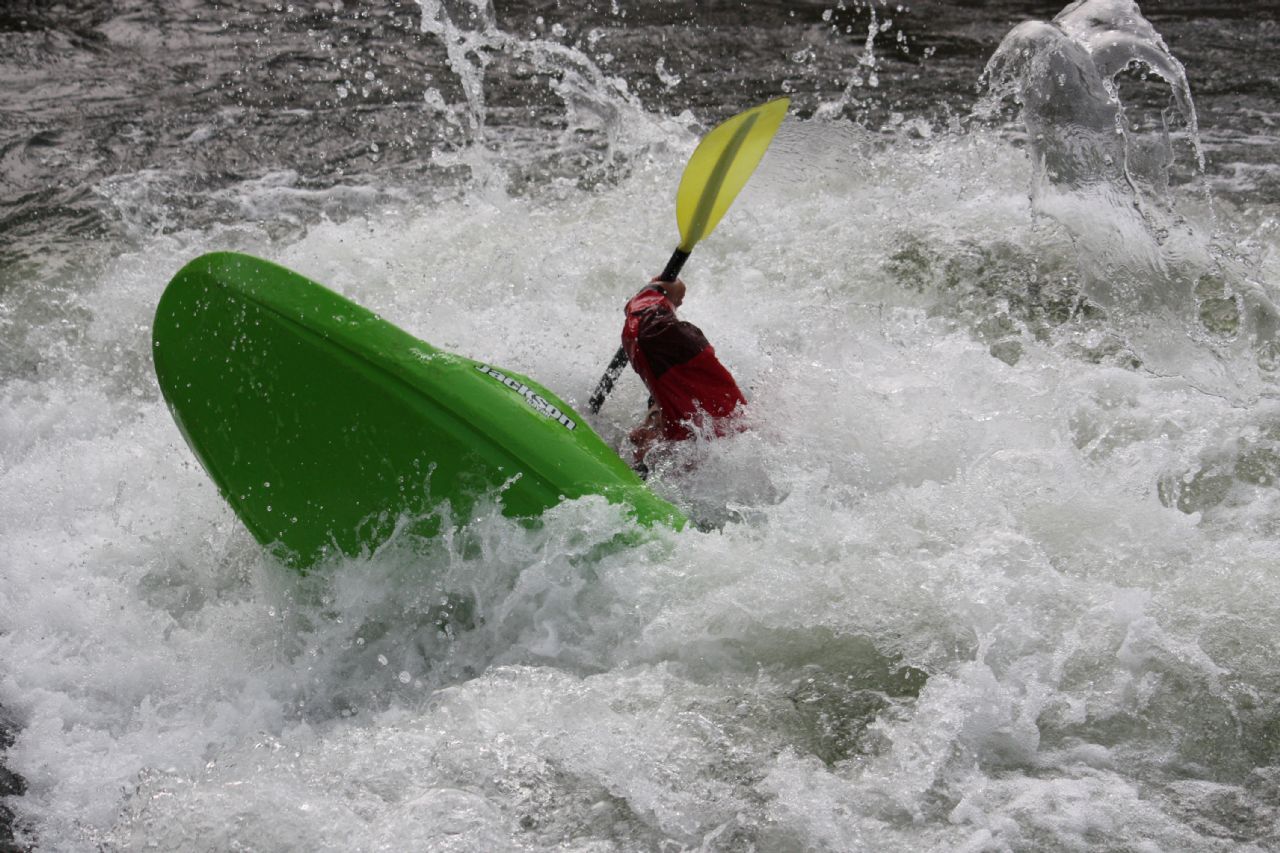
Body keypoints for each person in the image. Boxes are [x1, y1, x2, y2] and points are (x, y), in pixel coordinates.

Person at [621, 275, 747, 469]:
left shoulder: (700, 423)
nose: (634, 435)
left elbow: (647, 333)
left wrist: (655, 293)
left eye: (650, 424)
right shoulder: (699, 433)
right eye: (647, 424)